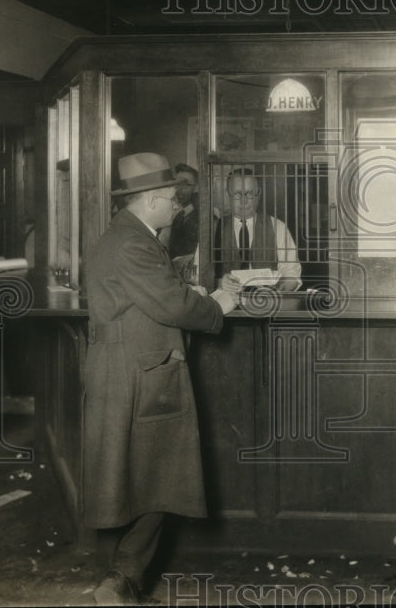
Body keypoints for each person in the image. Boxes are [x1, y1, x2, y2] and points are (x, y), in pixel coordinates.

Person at [84, 152, 238, 606]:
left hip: (129, 369)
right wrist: (217, 306)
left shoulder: (127, 236)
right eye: (173, 199)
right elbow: (169, 305)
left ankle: (120, 582)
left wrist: (185, 293)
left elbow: (152, 295)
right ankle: (119, 582)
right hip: (138, 373)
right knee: (155, 478)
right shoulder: (134, 242)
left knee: (138, 478)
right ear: (150, 200)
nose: (178, 206)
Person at [214, 168, 302, 294]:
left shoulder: (277, 227)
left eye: (249, 193)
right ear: (228, 195)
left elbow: (292, 273)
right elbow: (198, 275)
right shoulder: (213, 229)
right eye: (237, 194)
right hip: (223, 307)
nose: (243, 201)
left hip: (266, 306)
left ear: (259, 194)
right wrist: (219, 283)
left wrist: (280, 287)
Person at [165, 163, 199, 259]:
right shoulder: (167, 207)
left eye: (187, 185)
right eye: (178, 184)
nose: (180, 189)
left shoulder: (198, 213)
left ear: (195, 187)